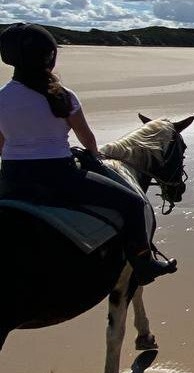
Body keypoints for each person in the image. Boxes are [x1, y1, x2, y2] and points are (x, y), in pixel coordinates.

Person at [0, 23, 177, 283]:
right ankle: (144, 264)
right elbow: (87, 139)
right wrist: (94, 156)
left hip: (13, 179)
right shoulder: (63, 96)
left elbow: (2, 145)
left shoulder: (2, 97)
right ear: (50, 56)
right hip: (59, 177)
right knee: (133, 204)